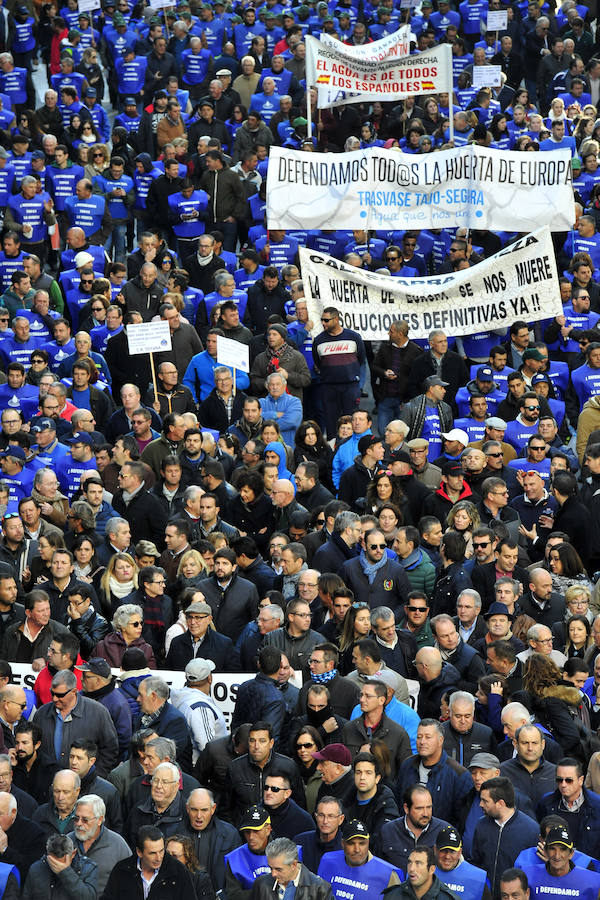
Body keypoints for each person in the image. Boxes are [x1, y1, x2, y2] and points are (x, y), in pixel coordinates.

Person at [471, 776, 539, 896]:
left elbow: (534, 873)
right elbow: (476, 862)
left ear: (500, 803)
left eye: (485, 801)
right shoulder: (481, 826)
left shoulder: (531, 830)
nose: (480, 804)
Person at [101, 825, 197, 900]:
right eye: (152, 853)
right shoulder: (122, 870)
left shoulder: (178, 871)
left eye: (161, 851)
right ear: (139, 852)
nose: (158, 858)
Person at [520, 822, 600, 900]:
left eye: (563, 849)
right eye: (552, 849)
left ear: (571, 854)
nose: (557, 856)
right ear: (545, 851)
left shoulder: (593, 882)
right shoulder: (527, 876)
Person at [250, 837, 335, 900]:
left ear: (294, 864)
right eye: (270, 868)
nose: (273, 874)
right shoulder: (261, 884)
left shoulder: (320, 889)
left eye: (278, 869)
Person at [22, 832, 97, 900]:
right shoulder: (36, 868)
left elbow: (89, 897)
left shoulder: (88, 868)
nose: (56, 865)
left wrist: (66, 872)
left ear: (73, 854)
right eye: (52, 861)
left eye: (60, 861)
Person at [224, 805, 273, 900]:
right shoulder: (235, 859)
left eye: (256, 831)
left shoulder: (286, 853)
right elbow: (233, 896)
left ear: (268, 829)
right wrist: (263, 893)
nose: (251, 837)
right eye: (247, 832)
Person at [433, 825, 492, 900]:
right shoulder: (423, 872)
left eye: (452, 851)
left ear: (459, 852)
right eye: (444, 851)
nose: (447, 856)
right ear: (435, 850)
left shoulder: (479, 878)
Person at [384, 847, 457, 900]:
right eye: (409, 862)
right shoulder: (392, 895)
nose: (411, 868)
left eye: (418, 863)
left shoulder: (447, 898)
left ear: (432, 869)